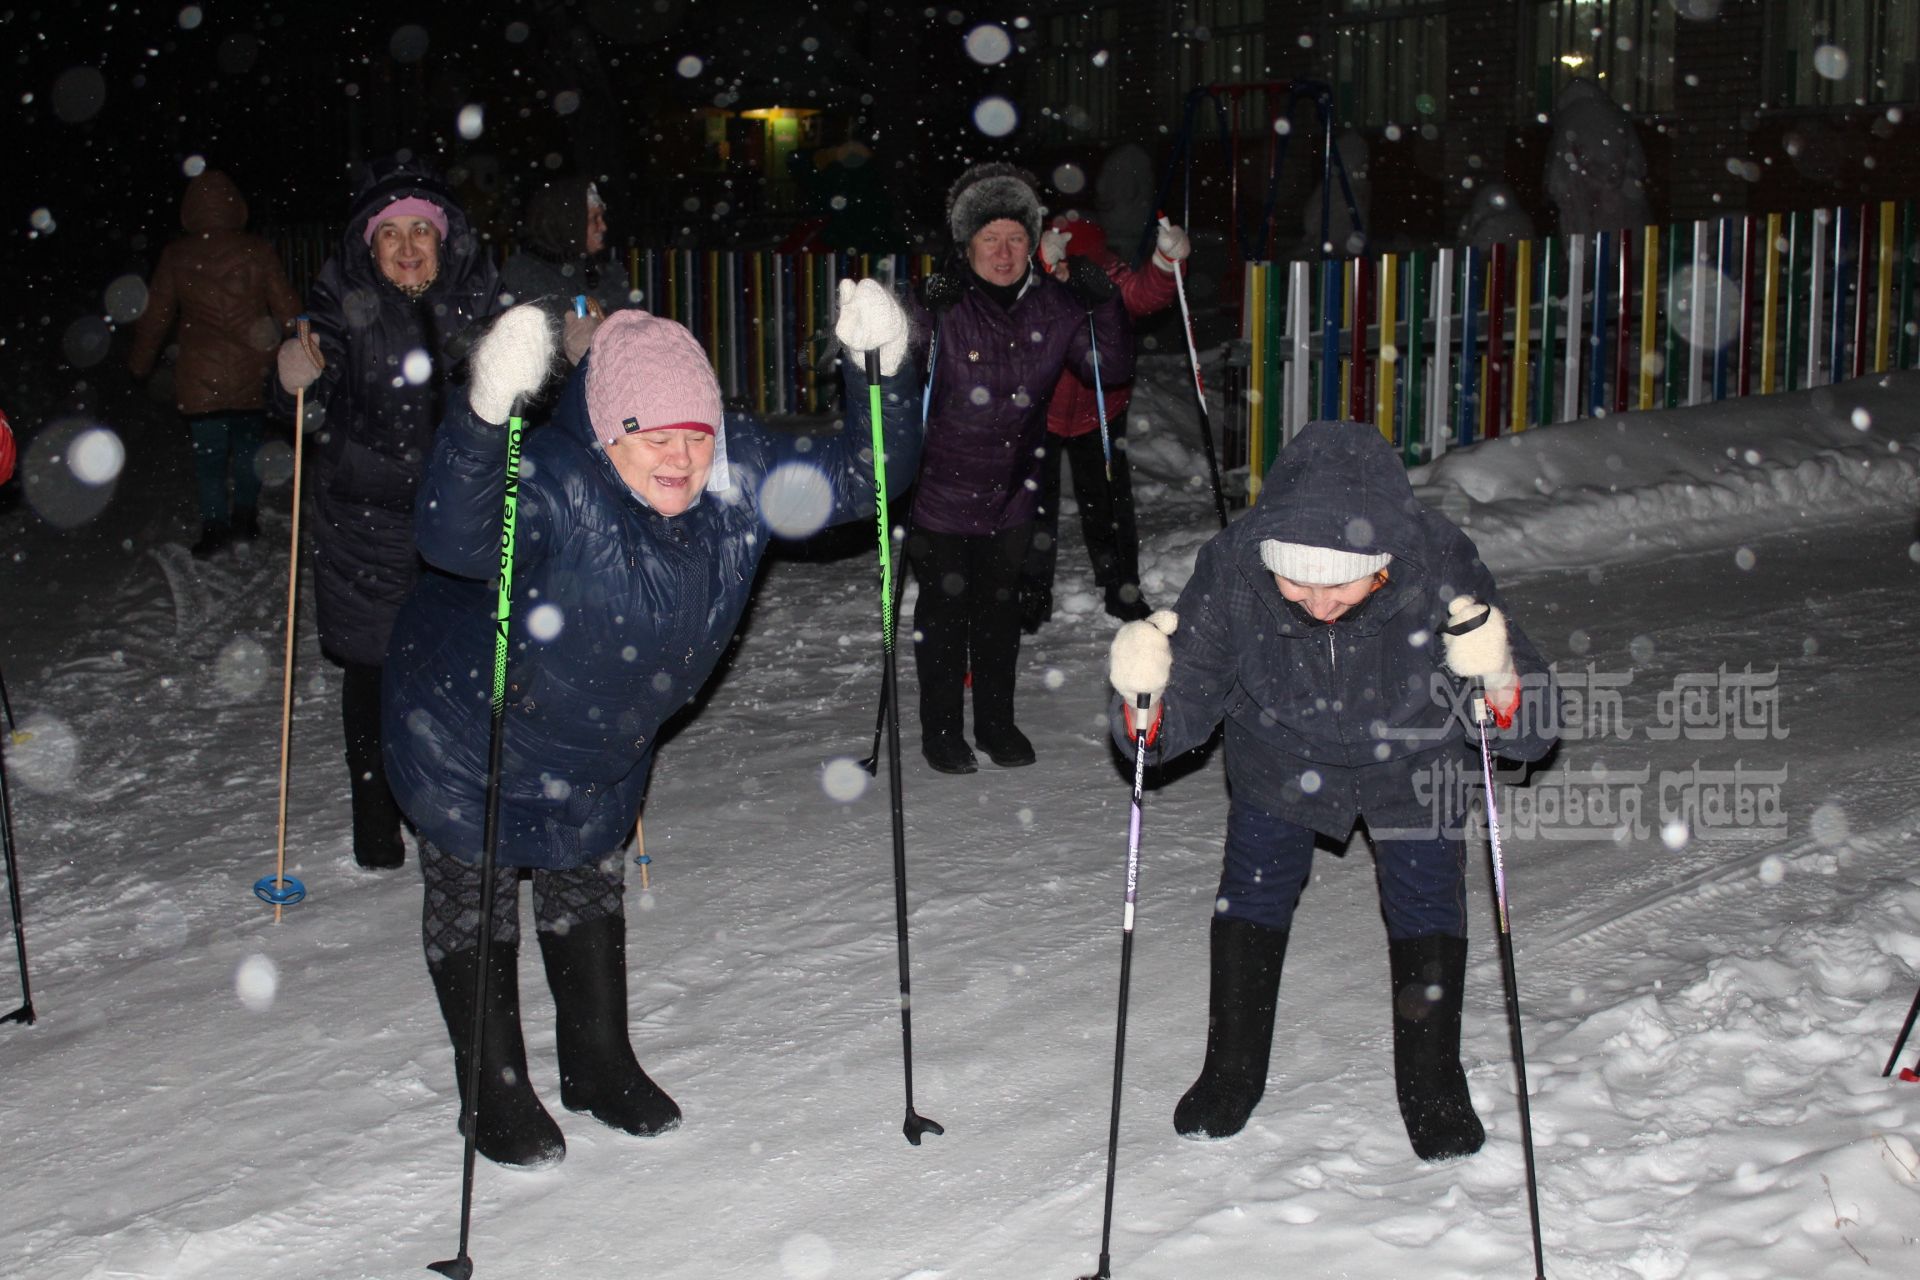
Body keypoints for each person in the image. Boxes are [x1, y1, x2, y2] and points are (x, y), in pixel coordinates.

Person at [380, 289, 921, 1169]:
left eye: (695, 433)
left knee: (584, 874)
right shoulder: (554, 484)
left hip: (596, 740)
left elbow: (871, 478)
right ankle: (495, 1091)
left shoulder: (736, 475)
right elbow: (454, 534)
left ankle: (597, 1063)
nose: (680, 456)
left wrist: (886, 373)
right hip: (462, 725)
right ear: (605, 436)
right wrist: (485, 413)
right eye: (653, 435)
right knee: (474, 894)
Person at [1107, 419, 1559, 1161]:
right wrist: (1142, 702)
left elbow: (1533, 730)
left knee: (1426, 901)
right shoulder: (1233, 570)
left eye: (1339, 584)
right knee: (1252, 895)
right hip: (1278, 758)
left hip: (1415, 763)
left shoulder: (1440, 563)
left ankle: (1433, 1084)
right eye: (1296, 582)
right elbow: (1176, 704)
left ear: (1379, 559)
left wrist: (1498, 680)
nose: (1317, 603)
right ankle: (1232, 1071)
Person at [271, 154, 501, 870]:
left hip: (464, 516)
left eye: (421, 233)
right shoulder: (344, 305)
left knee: (466, 668)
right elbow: (300, 390)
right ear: (369, 246)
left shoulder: (477, 303)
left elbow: (535, 385)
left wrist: (564, 357)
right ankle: (376, 826)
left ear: (445, 240)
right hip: (367, 526)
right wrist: (292, 376)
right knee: (374, 674)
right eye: (390, 234)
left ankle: (459, 811)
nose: (407, 248)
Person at [907, 161, 1133, 775]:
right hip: (940, 495)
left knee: (1001, 613)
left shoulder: (1054, 308)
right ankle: (942, 731)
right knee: (945, 616)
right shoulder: (946, 306)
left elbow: (1106, 369)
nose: (1004, 252)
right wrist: (914, 313)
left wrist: (1104, 303)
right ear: (967, 245)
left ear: (1032, 243)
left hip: (1011, 492)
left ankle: (998, 724)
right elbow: (887, 367)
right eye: (990, 239)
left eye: (1015, 238)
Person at [1021, 210, 1190, 629]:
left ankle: (1121, 588)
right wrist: (1038, 269)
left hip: (1101, 407)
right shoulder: (1033, 281)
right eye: (1057, 264)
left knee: (1109, 503)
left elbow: (1143, 294)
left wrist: (1166, 263)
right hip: (1042, 406)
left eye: (1073, 264)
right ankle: (1029, 595)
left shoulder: (1106, 275)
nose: (1066, 272)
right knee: (1031, 505)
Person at [127, 169, 302, 557]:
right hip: (252, 370)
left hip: (199, 375)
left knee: (208, 457)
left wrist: (140, 362)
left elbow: (156, 316)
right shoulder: (256, 250)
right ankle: (244, 519)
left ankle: (214, 527)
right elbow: (289, 308)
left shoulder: (177, 255)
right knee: (246, 449)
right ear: (235, 206)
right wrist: (302, 341)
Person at [499, 174, 633, 358]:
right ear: (570, 223)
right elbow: (557, 340)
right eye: (594, 218)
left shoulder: (606, 271)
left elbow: (635, 326)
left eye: (602, 217)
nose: (603, 227)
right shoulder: (525, 272)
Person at [1545, 77, 1651, 235]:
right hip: (1621, 198)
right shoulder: (1616, 116)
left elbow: (1557, 174)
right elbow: (1638, 161)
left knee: (1583, 238)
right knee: (1621, 237)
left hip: (1581, 197)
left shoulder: (1570, 118)